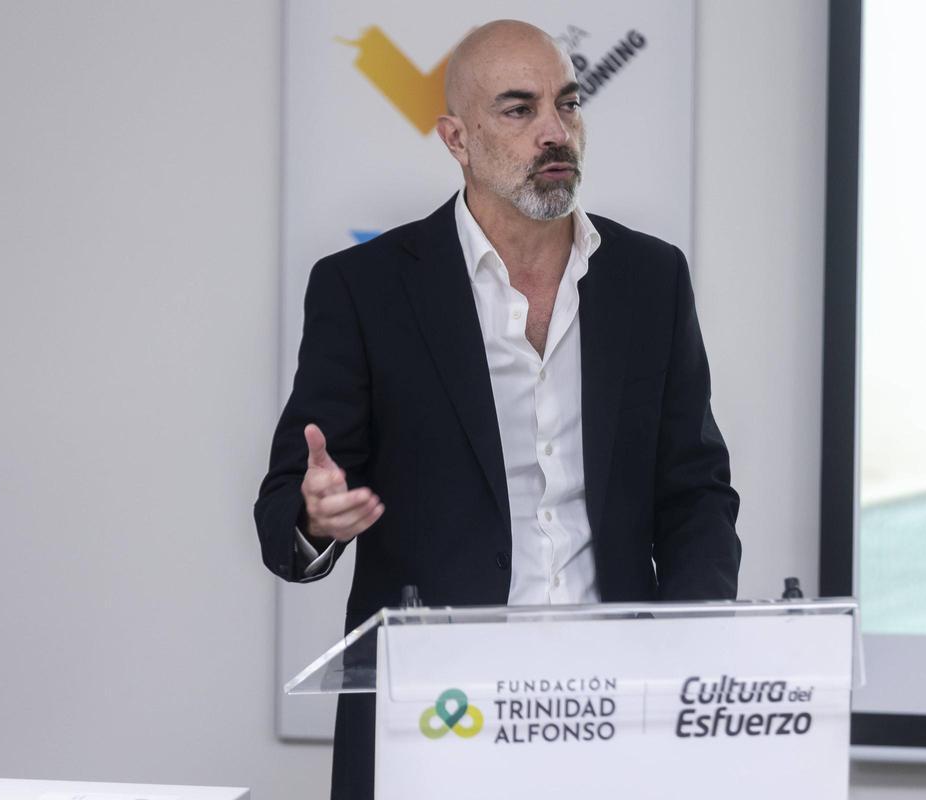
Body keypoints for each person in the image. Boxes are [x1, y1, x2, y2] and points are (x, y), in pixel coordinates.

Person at [255, 19, 740, 799]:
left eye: (568, 104)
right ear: (457, 137)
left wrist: (686, 645)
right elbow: (283, 514)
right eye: (519, 110)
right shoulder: (367, 290)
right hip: (439, 717)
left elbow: (695, 490)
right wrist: (315, 517)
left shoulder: (650, 279)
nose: (555, 131)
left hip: (614, 713)